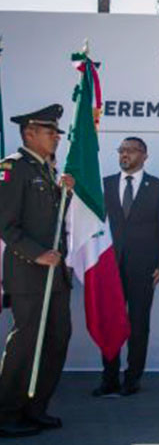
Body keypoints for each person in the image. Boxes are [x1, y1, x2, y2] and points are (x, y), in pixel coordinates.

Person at [0, 104, 74, 436]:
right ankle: (7, 412)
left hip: (55, 276)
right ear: (29, 133)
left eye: (58, 132)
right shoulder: (13, 169)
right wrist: (37, 254)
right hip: (29, 273)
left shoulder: (45, 170)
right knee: (27, 342)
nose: (57, 137)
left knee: (57, 339)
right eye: (50, 132)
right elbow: (7, 224)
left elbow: (50, 220)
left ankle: (35, 407)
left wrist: (65, 193)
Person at [93, 137, 159, 397]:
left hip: (144, 268)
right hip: (108, 266)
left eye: (130, 150)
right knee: (110, 322)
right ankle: (109, 378)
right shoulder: (103, 185)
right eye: (121, 150)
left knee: (138, 324)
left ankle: (132, 378)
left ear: (144, 155)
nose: (124, 154)